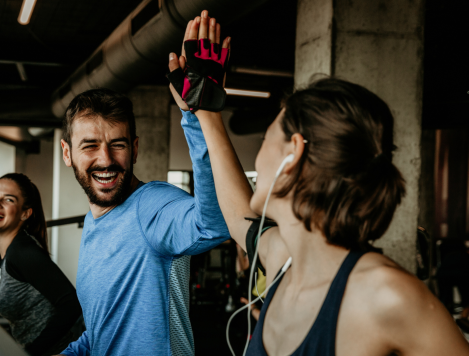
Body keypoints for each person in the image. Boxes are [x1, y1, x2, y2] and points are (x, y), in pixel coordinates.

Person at [166, 23, 469, 356]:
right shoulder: (283, 259)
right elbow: (238, 216)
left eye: (266, 138)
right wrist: (205, 113)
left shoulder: (387, 295)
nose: (259, 155)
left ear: (292, 152)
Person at [58, 11, 231, 356]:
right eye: (90, 145)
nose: (105, 159)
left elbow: (215, 225)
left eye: (118, 144)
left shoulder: (152, 206)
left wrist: (198, 117)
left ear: (134, 149)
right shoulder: (96, 221)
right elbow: (102, 332)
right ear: (68, 153)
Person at [0, 173, 83, 356]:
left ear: (25, 213)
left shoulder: (21, 252)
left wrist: (31, 352)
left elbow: (71, 304)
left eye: (8, 199)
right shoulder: (13, 252)